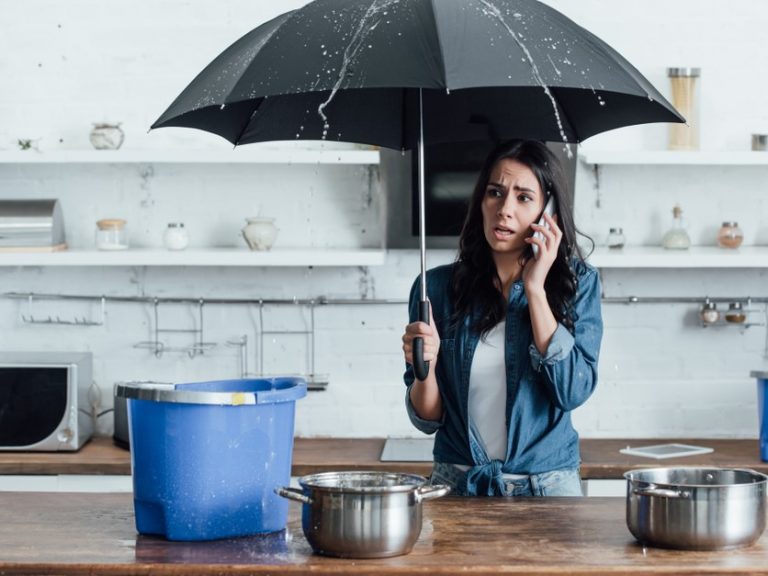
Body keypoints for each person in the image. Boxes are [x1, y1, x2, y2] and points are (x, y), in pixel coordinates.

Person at [401, 139, 602, 497]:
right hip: (457, 485)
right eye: (495, 192)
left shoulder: (579, 284)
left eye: (524, 197)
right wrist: (426, 369)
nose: (504, 208)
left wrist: (536, 289)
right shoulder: (435, 288)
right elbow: (427, 419)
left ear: (548, 213)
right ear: (481, 200)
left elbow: (571, 390)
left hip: (547, 488)